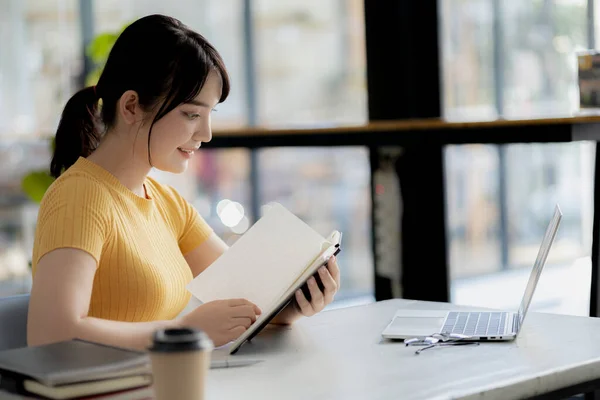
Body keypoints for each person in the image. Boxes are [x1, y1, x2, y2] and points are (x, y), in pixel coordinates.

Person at [27, 14, 341, 351]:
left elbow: (250, 294)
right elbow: (52, 335)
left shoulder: (166, 203)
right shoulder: (79, 197)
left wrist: (296, 300)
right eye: (192, 114)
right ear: (132, 106)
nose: (205, 134)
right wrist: (183, 331)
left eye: (209, 116)